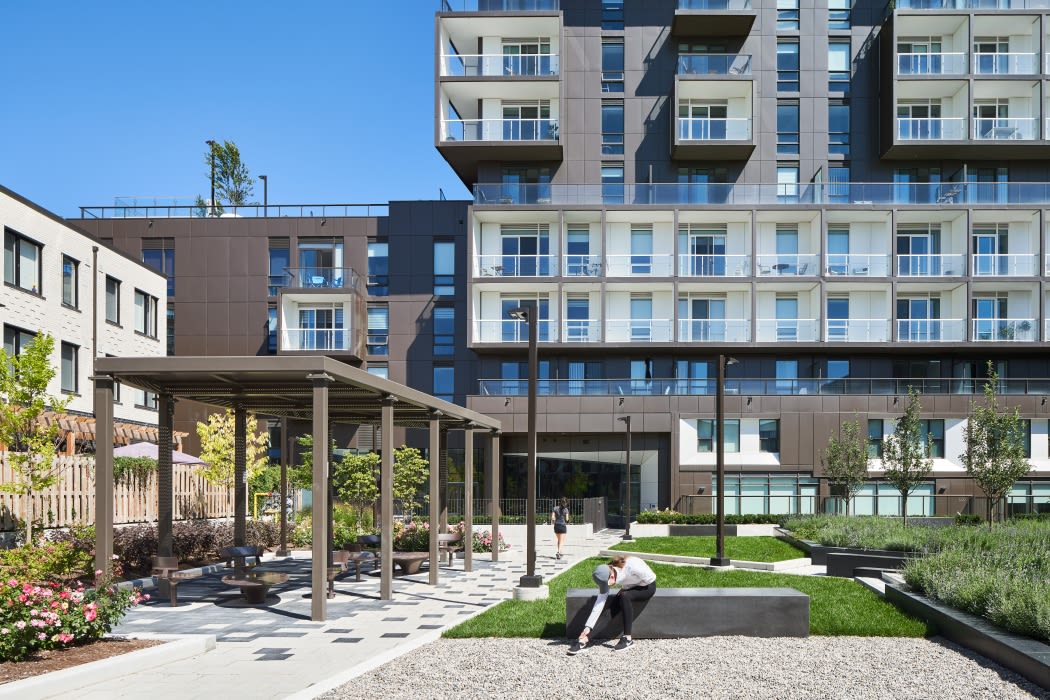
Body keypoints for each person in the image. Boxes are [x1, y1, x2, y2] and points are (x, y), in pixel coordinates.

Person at [568, 555, 656, 655]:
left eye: (607, 585)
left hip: (647, 587)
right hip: (629, 589)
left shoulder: (633, 566)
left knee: (624, 596)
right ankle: (583, 640)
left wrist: (627, 588)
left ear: (612, 577)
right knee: (610, 610)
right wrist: (588, 626)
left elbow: (651, 579)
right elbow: (599, 604)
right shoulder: (607, 572)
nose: (607, 587)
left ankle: (627, 639)